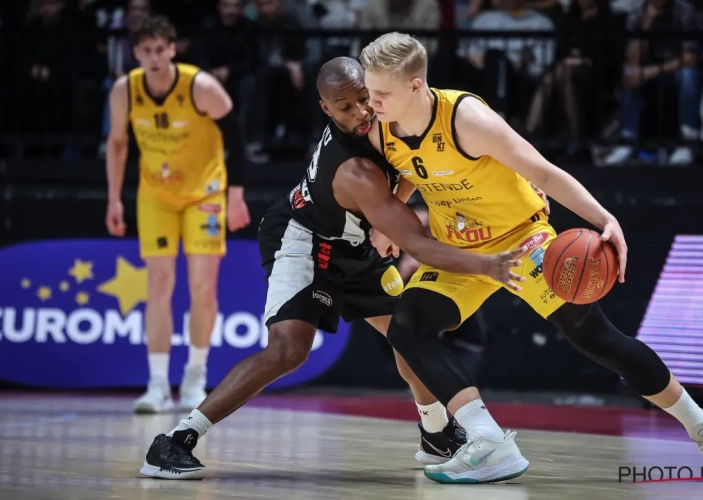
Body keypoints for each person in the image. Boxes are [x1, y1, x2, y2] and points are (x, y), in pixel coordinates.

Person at [359, 32, 703, 484]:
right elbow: (411, 168)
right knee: (408, 326)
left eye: (381, 93)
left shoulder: (467, 119)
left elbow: (543, 170)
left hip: (523, 241)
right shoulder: (380, 126)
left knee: (599, 339)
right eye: (369, 91)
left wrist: (604, 217)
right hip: (460, 251)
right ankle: (486, 441)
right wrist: (389, 218)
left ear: (415, 86)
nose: (372, 102)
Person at [138, 57, 526, 479]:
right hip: (305, 239)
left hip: (356, 243)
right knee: (290, 349)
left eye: (365, 99)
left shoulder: (385, 120)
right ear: (326, 109)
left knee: (409, 332)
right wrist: (487, 264)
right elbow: (417, 242)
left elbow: (410, 167)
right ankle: (176, 440)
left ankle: (436, 434)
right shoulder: (355, 170)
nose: (360, 112)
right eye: (345, 107)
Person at [105, 16, 251, 414]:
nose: (153, 57)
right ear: (136, 53)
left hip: (204, 195)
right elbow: (117, 145)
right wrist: (114, 199)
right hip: (155, 196)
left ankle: (194, 379)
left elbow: (235, 140)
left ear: (172, 49)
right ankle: (155, 385)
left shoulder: (199, 86)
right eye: (145, 50)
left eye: (160, 49)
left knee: (202, 287)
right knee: (159, 285)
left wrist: (236, 196)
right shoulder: (125, 91)